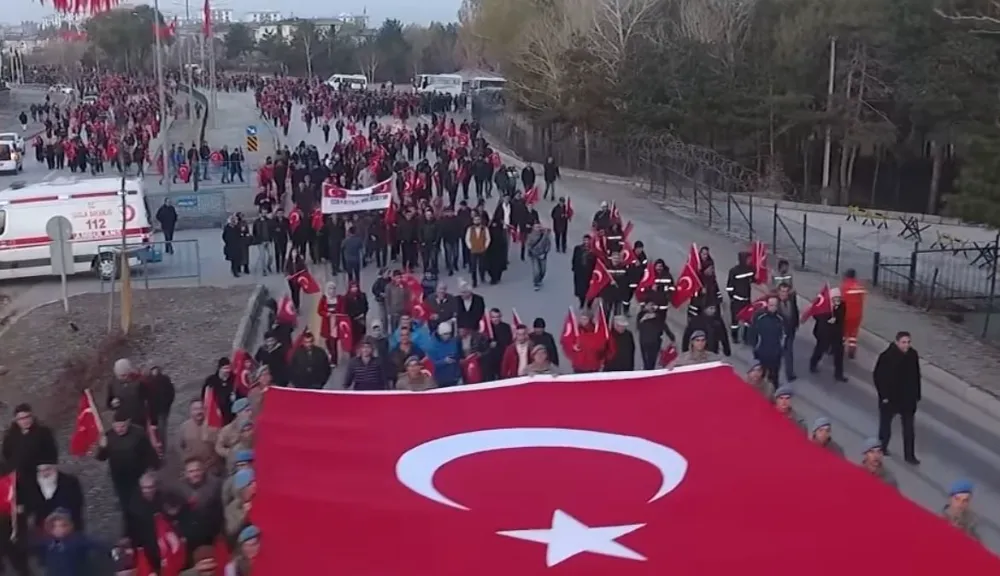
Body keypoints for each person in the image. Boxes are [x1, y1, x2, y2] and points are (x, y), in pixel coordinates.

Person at [873, 331, 921, 465]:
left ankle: (909, 455)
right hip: (890, 398)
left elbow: (916, 376)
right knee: (885, 424)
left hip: (907, 399)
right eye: (904, 342)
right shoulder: (887, 356)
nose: (907, 345)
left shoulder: (913, 355)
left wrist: (917, 394)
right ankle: (882, 446)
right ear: (897, 342)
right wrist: (884, 396)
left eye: (908, 342)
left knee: (909, 428)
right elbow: (878, 377)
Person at [808, 287, 847, 382]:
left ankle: (839, 374)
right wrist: (826, 320)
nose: (837, 300)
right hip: (824, 333)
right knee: (820, 349)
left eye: (839, 298)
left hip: (836, 334)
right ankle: (813, 364)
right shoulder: (825, 306)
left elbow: (842, 316)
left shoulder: (842, 305)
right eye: (835, 298)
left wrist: (836, 318)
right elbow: (816, 315)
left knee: (839, 354)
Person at [840, 268, 866, 358]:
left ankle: (840, 349)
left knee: (843, 332)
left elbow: (841, 300)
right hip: (857, 314)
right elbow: (862, 299)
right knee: (853, 334)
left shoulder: (844, 286)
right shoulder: (860, 287)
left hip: (846, 313)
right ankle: (852, 350)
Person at [525, 222, 552, 290]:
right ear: (533, 228)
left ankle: (540, 279)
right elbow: (528, 245)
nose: (538, 228)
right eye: (536, 227)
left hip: (543, 255)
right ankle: (536, 283)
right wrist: (533, 252)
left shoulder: (545, 235)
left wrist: (545, 252)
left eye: (539, 227)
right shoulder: (530, 235)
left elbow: (548, 244)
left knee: (543, 270)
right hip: (534, 255)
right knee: (536, 270)